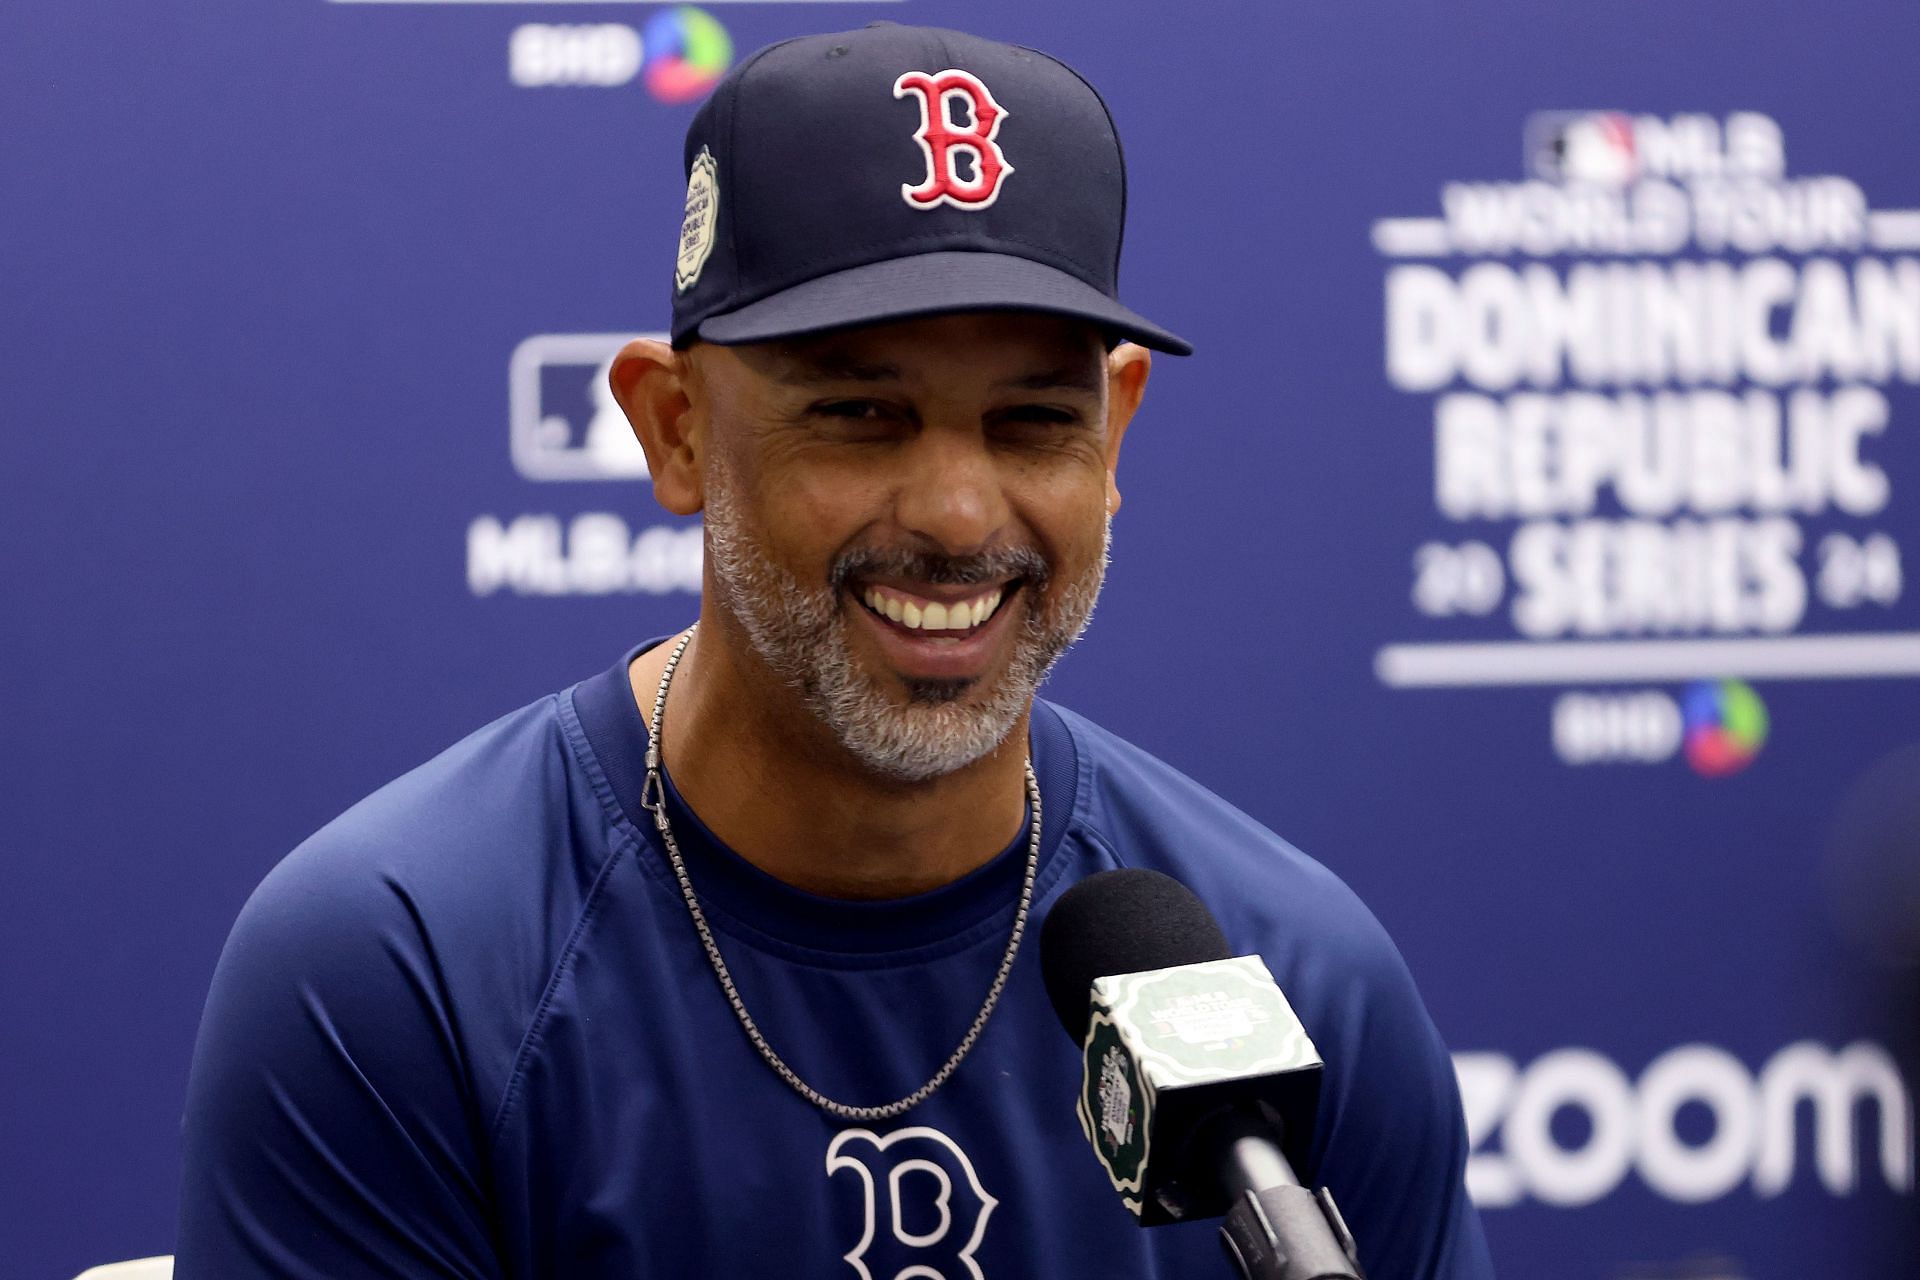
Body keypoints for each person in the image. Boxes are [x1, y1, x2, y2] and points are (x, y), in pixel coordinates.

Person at [177, 22, 1494, 1278]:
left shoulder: (1298, 974)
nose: (959, 513)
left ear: (1118, 431)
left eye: (1034, 420)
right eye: (862, 411)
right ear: (676, 428)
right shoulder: (402, 967)